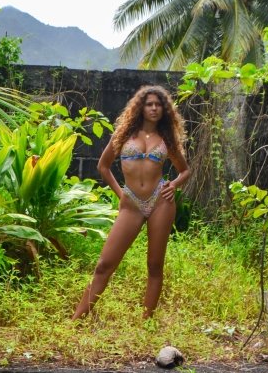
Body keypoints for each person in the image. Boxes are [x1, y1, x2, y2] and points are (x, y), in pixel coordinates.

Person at [75, 85, 190, 318]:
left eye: (159, 104)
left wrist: (174, 185)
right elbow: (103, 166)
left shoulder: (167, 138)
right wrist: (121, 194)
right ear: (141, 107)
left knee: (155, 265)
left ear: (164, 109)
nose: (154, 108)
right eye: (149, 104)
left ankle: (146, 322)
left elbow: (185, 171)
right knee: (104, 265)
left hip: (160, 201)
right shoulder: (124, 135)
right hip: (132, 204)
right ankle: (76, 321)